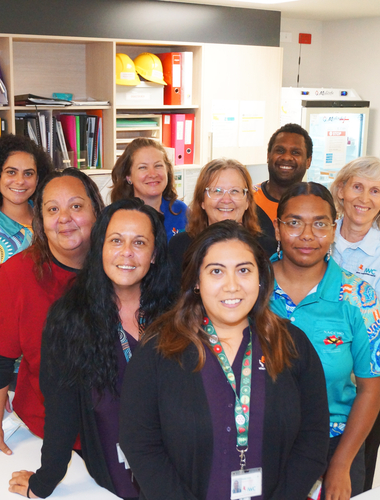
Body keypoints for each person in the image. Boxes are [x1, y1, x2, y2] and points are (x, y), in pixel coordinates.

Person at [119, 220, 330, 500]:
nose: (232, 286)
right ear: (196, 280)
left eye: (243, 270)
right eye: (216, 271)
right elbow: (140, 445)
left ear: (260, 277)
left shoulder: (292, 344)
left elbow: (313, 437)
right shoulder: (159, 350)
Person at [8, 198, 174, 500]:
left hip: (180, 464)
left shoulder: (178, 313)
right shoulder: (70, 317)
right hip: (114, 469)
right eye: (116, 240)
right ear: (100, 249)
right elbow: (61, 411)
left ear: (154, 255)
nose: (126, 252)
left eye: (139, 242)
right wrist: (46, 480)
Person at [270, 181, 380, 499]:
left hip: (336, 444)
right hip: (261, 443)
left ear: (333, 230)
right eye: (293, 223)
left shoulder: (359, 297)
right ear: (277, 229)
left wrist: (340, 465)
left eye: (319, 224)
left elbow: (371, 389)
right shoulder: (251, 290)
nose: (307, 235)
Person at [0, 168, 104, 456]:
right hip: (43, 431)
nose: (64, 218)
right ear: (41, 221)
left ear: (96, 211)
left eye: (76, 206)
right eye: (52, 209)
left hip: (113, 426)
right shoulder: (15, 275)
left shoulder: (121, 267)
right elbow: (1, 360)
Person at [330, 156, 380, 491]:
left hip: (367, 380)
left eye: (375, 191)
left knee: (352, 473)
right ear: (341, 191)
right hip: (318, 371)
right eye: (357, 186)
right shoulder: (315, 236)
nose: (364, 198)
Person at [168, 158, 277, 292]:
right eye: (217, 191)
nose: (226, 200)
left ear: (248, 201)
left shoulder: (269, 250)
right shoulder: (179, 247)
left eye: (235, 191)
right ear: (202, 200)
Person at [110, 137, 187, 241]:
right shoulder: (114, 217)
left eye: (158, 166)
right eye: (143, 167)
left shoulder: (181, 211)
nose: (153, 174)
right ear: (128, 176)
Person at [253, 123, 313, 242]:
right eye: (280, 150)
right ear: (268, 156)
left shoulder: (317, 205)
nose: (286, 157)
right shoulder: (248, 200)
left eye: (295, 152)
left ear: (308, 161)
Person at [0, 134, 53, 263]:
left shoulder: (50, 217)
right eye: (11, 172)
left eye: (28, 173)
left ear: (37, 179)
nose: (20, 181)